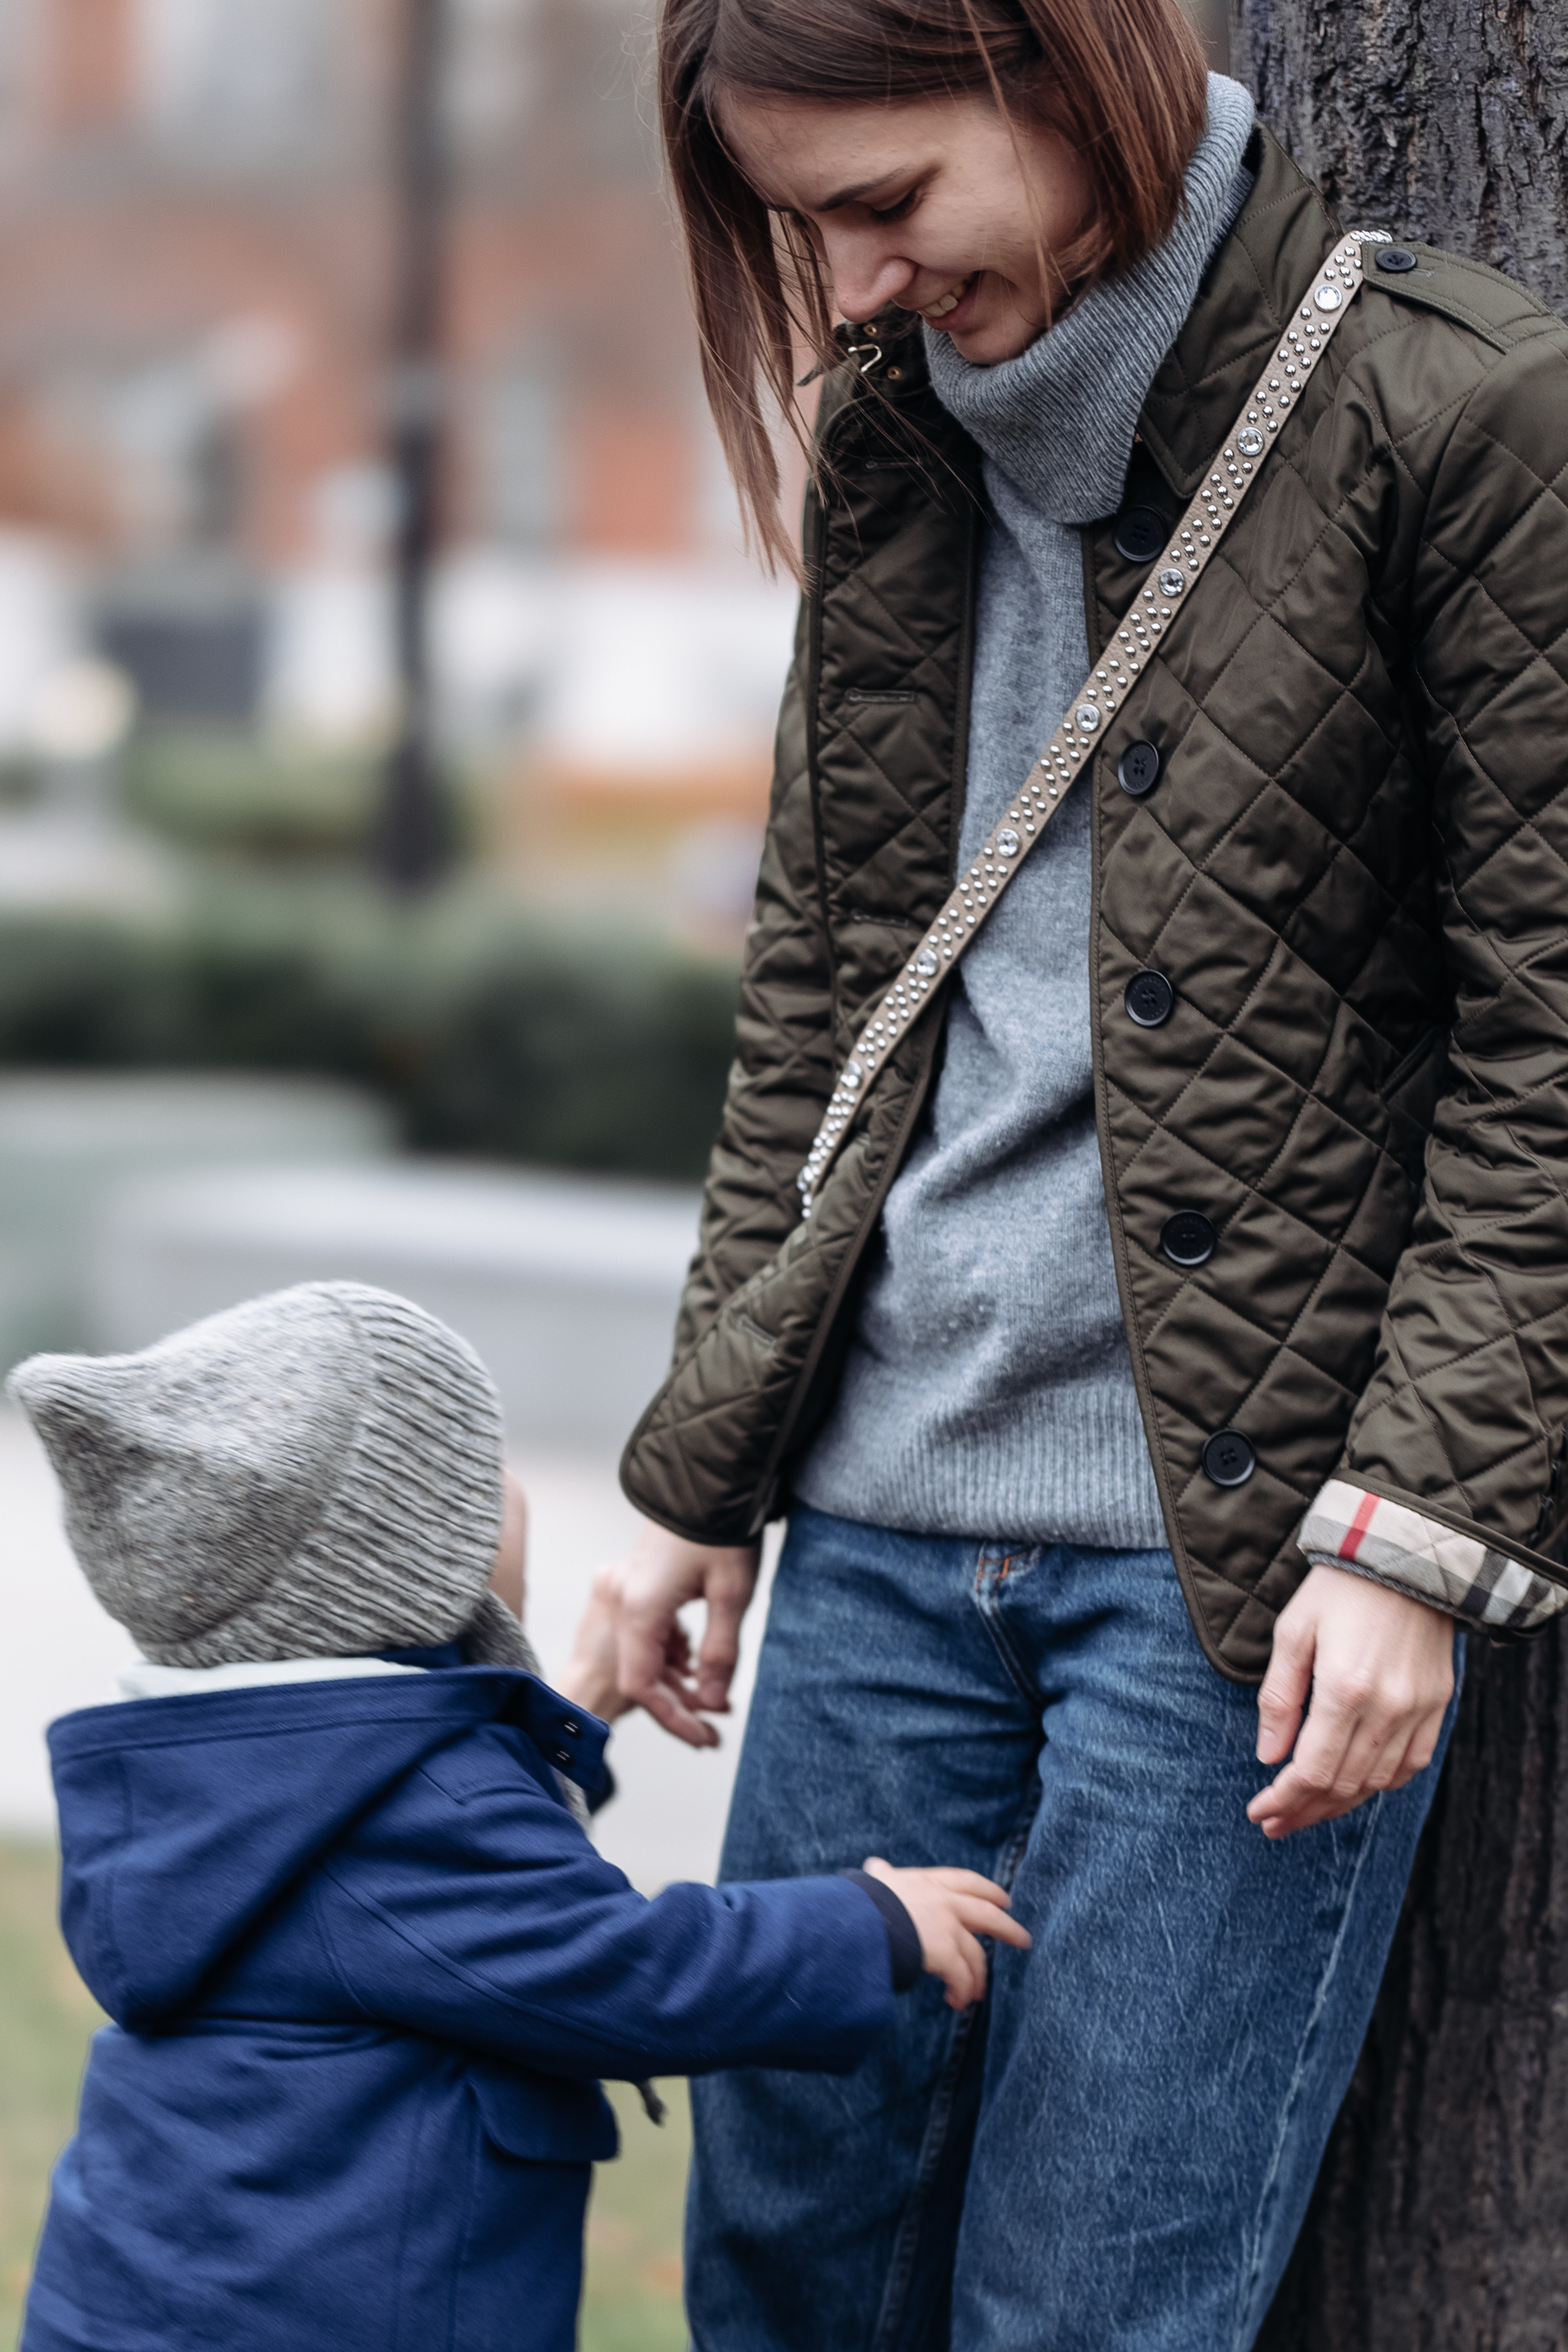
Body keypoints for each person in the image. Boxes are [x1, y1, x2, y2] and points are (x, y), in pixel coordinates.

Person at [590, 1, 1568, 2343]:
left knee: (1088, 2314)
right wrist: (707, 1463)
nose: (844, 289)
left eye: (886, 204)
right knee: (785, 2286)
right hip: (874, 1553)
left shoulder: (1457, 411)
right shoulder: (906, 439)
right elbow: (833, 982)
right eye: (797, 227)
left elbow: (1556, 1041)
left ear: (1063, 73)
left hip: (1226, 1586)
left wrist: (1415, 1538)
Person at [10, 1281, 1027, 2352]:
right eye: (474, 1475)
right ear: (404, 1559)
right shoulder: (406, 1817)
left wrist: (579, 1688)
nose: (507, 1486)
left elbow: (451, 1923)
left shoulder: (242, 1773)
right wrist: (866, 1924)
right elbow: (624, 1972)